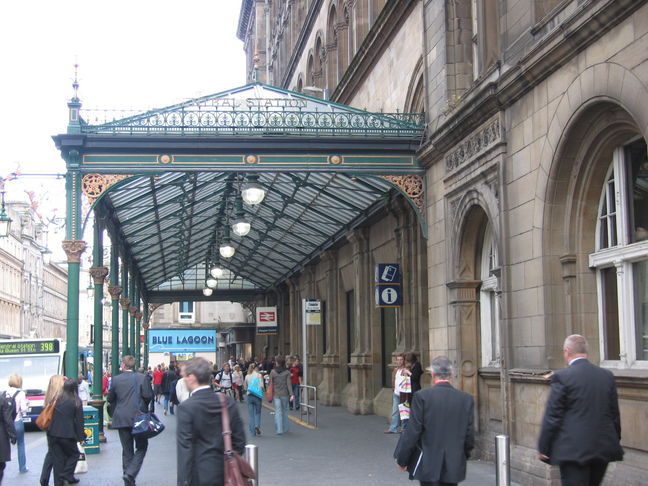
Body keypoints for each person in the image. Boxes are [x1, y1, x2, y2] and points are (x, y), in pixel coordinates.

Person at [538, 334, 623, 486]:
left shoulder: (563, 377)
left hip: (573, 451)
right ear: (586, 351)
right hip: (601, 447)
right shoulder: (606, 376)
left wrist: (544, 446)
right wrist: (615, 439)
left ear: (566, 352)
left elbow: (553, 415)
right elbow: (614, 414)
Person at [395, 356, 474, 486]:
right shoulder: (465, 399)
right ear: (451, 374)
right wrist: (462, 455)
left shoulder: (422, 397)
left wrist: (403, 459)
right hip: (453, 464)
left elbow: (413, 431)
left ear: (432, 374)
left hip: (428, 463)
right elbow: (469, 435)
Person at [176, 357, 246, 486]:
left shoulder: (186, 408)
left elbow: (185, 451)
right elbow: (240, 441)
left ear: (192, 377)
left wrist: (183, 482)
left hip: (199, 476)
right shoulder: (227, 402)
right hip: (226, 472)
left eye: (184, 376)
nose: (183, 379)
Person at [107, 355, 153, 486]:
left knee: (127, 450)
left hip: (122, 418)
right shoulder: (142, 377)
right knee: (141, 447)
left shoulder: (116, 379)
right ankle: (131, 473)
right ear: (134, 366)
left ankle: (128, 477)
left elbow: (110, 398)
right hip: (139, 418)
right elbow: (148, 396)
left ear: (123, 365)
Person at [47, 378, 84, 486]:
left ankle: (59, 482)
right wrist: (81, 437)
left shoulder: (57, 399)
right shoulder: (76, 401)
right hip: (68, 434)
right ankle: (67, 474)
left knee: (57, 461)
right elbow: (79, 421)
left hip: (53, 433)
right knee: (75, 454)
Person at [40, 375, 66, 486]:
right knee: (58, 459)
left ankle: (44, 478)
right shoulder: (60, 399)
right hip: (59, 431)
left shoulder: (49, 398)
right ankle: (57, 482)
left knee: (51, 453)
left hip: (49, 430)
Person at [7, 374, 28, 473]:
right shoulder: (21, 394)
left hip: (7, 423)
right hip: (17, 421)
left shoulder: (5, 393)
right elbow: (23, 409)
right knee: (21, 444)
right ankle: (22, 467)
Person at [269, 356, 293, 435]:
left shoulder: (273, 372)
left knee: (278, 411)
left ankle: (279, 430)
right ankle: (285, 428)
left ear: (277, 363)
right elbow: (289, 384)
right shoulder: (287, 372)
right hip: (285, 394)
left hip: (276, 394)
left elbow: (270, 383)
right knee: (285, 411)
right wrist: (291, 394)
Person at [385, 354, 405, 434]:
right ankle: (393, 428)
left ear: (404, 361)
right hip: (396, 393)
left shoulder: (405, 370)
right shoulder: (395, 370)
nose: (399, 361)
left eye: (401, 359)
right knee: (395, 411)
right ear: (396, 361)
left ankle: (404, 428)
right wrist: (393, 388)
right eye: (398, 360)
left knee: (404, 412)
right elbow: (394, 380)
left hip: (403, 394)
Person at [0, 388, 17, 485]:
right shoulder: (2, 399)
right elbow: (7, 418)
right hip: (1, 435)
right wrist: (12, 434)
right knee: (1, 464)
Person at [244, 363, 264, 436]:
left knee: (251, 415)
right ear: (256, 368)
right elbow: (261, 386)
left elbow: (245, 387)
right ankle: (257, 425)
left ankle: (252, 431)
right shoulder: (259, 375)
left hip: (250, 396)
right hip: (257, 396)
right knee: (258, 412)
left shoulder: (247, 376)